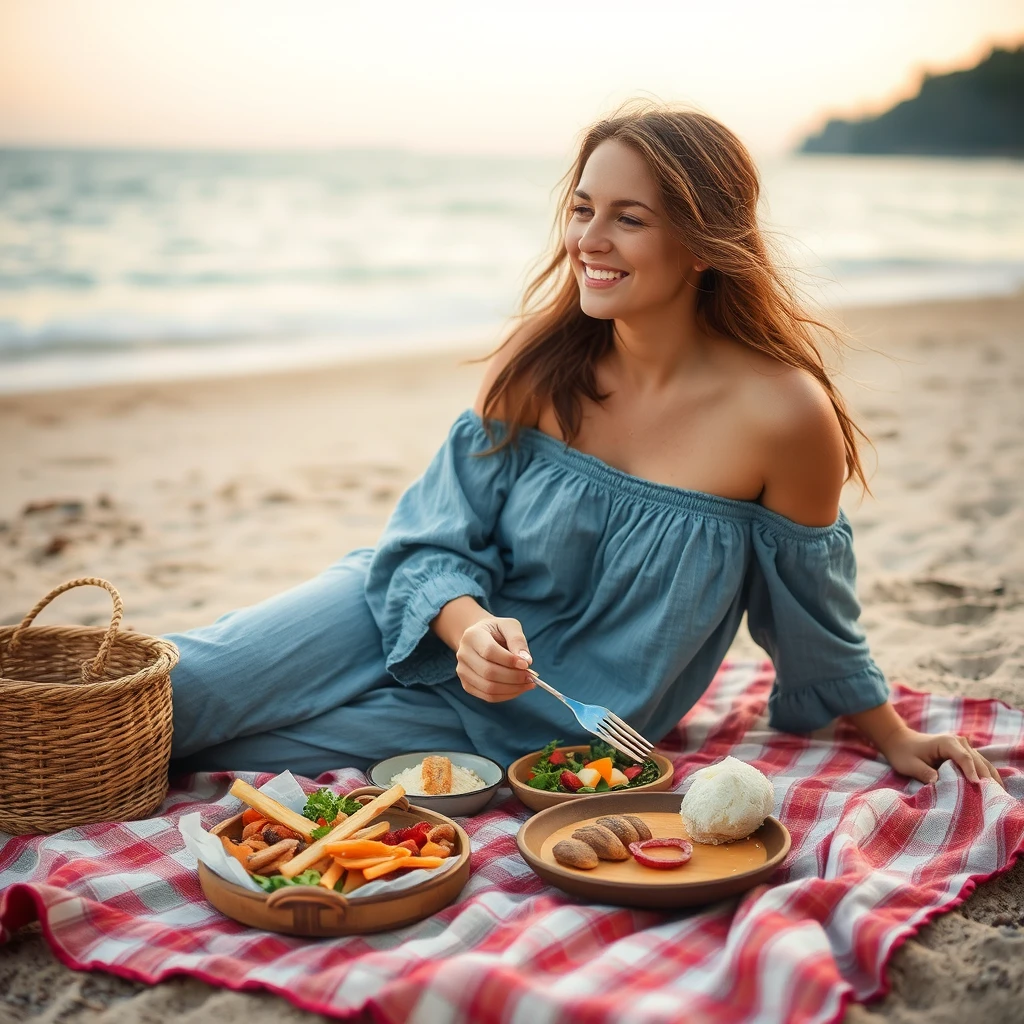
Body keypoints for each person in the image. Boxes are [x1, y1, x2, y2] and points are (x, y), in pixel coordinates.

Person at [166, 103, 1001, 789]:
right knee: (183, 690)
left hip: (554, 713)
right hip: (411, 607)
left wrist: (889, 734)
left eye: (628, 219)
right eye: (582, 209)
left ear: (705, 244)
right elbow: (428, 542)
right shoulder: (538, 364)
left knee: (213, 757)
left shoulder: (784, 417)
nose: (588, 241)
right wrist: (465, 629)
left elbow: (810, 610)